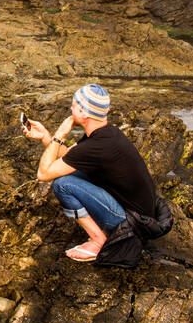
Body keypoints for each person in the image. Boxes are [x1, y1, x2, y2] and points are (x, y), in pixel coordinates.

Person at [22, 83, 158, 262]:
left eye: (74, 105)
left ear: (84, 113)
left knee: (62, 185)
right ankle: (100, 234)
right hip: (141, 216)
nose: (70, 108)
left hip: (132, 225)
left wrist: (59, 134)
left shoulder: (98, 146)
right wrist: (46, 137)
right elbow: (69, 158)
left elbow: (43, 174)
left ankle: (98, 241)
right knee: (66, 175)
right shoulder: (105, 134)